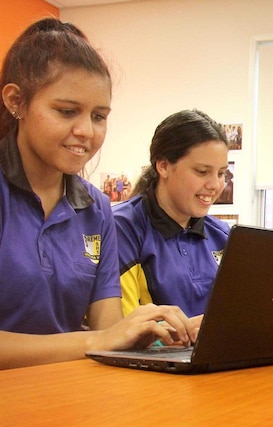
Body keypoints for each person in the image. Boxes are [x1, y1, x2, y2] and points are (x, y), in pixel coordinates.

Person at [0, 18, 194, 370]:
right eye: (67, 111)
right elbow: (99, 339)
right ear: (17, 102)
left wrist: (154, 329)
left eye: (99, 116)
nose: (86, 131)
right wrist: (95, 340)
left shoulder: (97, 208)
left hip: (72, 399)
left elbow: (108, 331)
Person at [113, 109, 230, 318]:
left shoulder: (222, 234)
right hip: (152, 351)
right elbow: (119, 330)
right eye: (202, 172)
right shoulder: (122, 228)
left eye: (221, 173)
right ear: (164, 166)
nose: (215, 185)